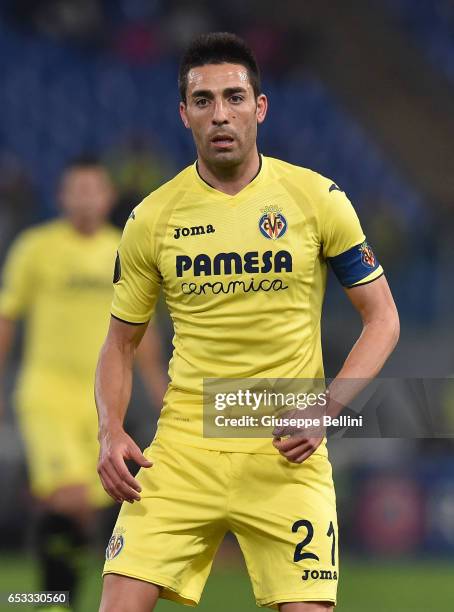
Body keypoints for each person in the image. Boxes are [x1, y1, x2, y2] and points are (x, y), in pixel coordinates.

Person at [96, 33, 400, 612]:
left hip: (287, 448)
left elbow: (382, 318)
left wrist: (327, 408)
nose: (221, 114)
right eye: (204, 101)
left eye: (234, 97)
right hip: (184, 447)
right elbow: (120, 343)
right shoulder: (151, 218)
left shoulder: (317, 198)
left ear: (260, 107)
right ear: (183, 114)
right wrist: (111, 429)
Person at [0, 157, 166, 608]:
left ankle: (51, 598)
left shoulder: (126, 248)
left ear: (108, 197)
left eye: (94, 190)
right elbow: (7, 318)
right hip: (46, 391)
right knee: (71, 497)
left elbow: (138, 331)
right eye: (77, 190)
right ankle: (54, 598)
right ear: (62, 197)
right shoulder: (35, 248)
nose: (86, 199)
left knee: (82, 509)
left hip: (100, 401)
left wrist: (157, 387)